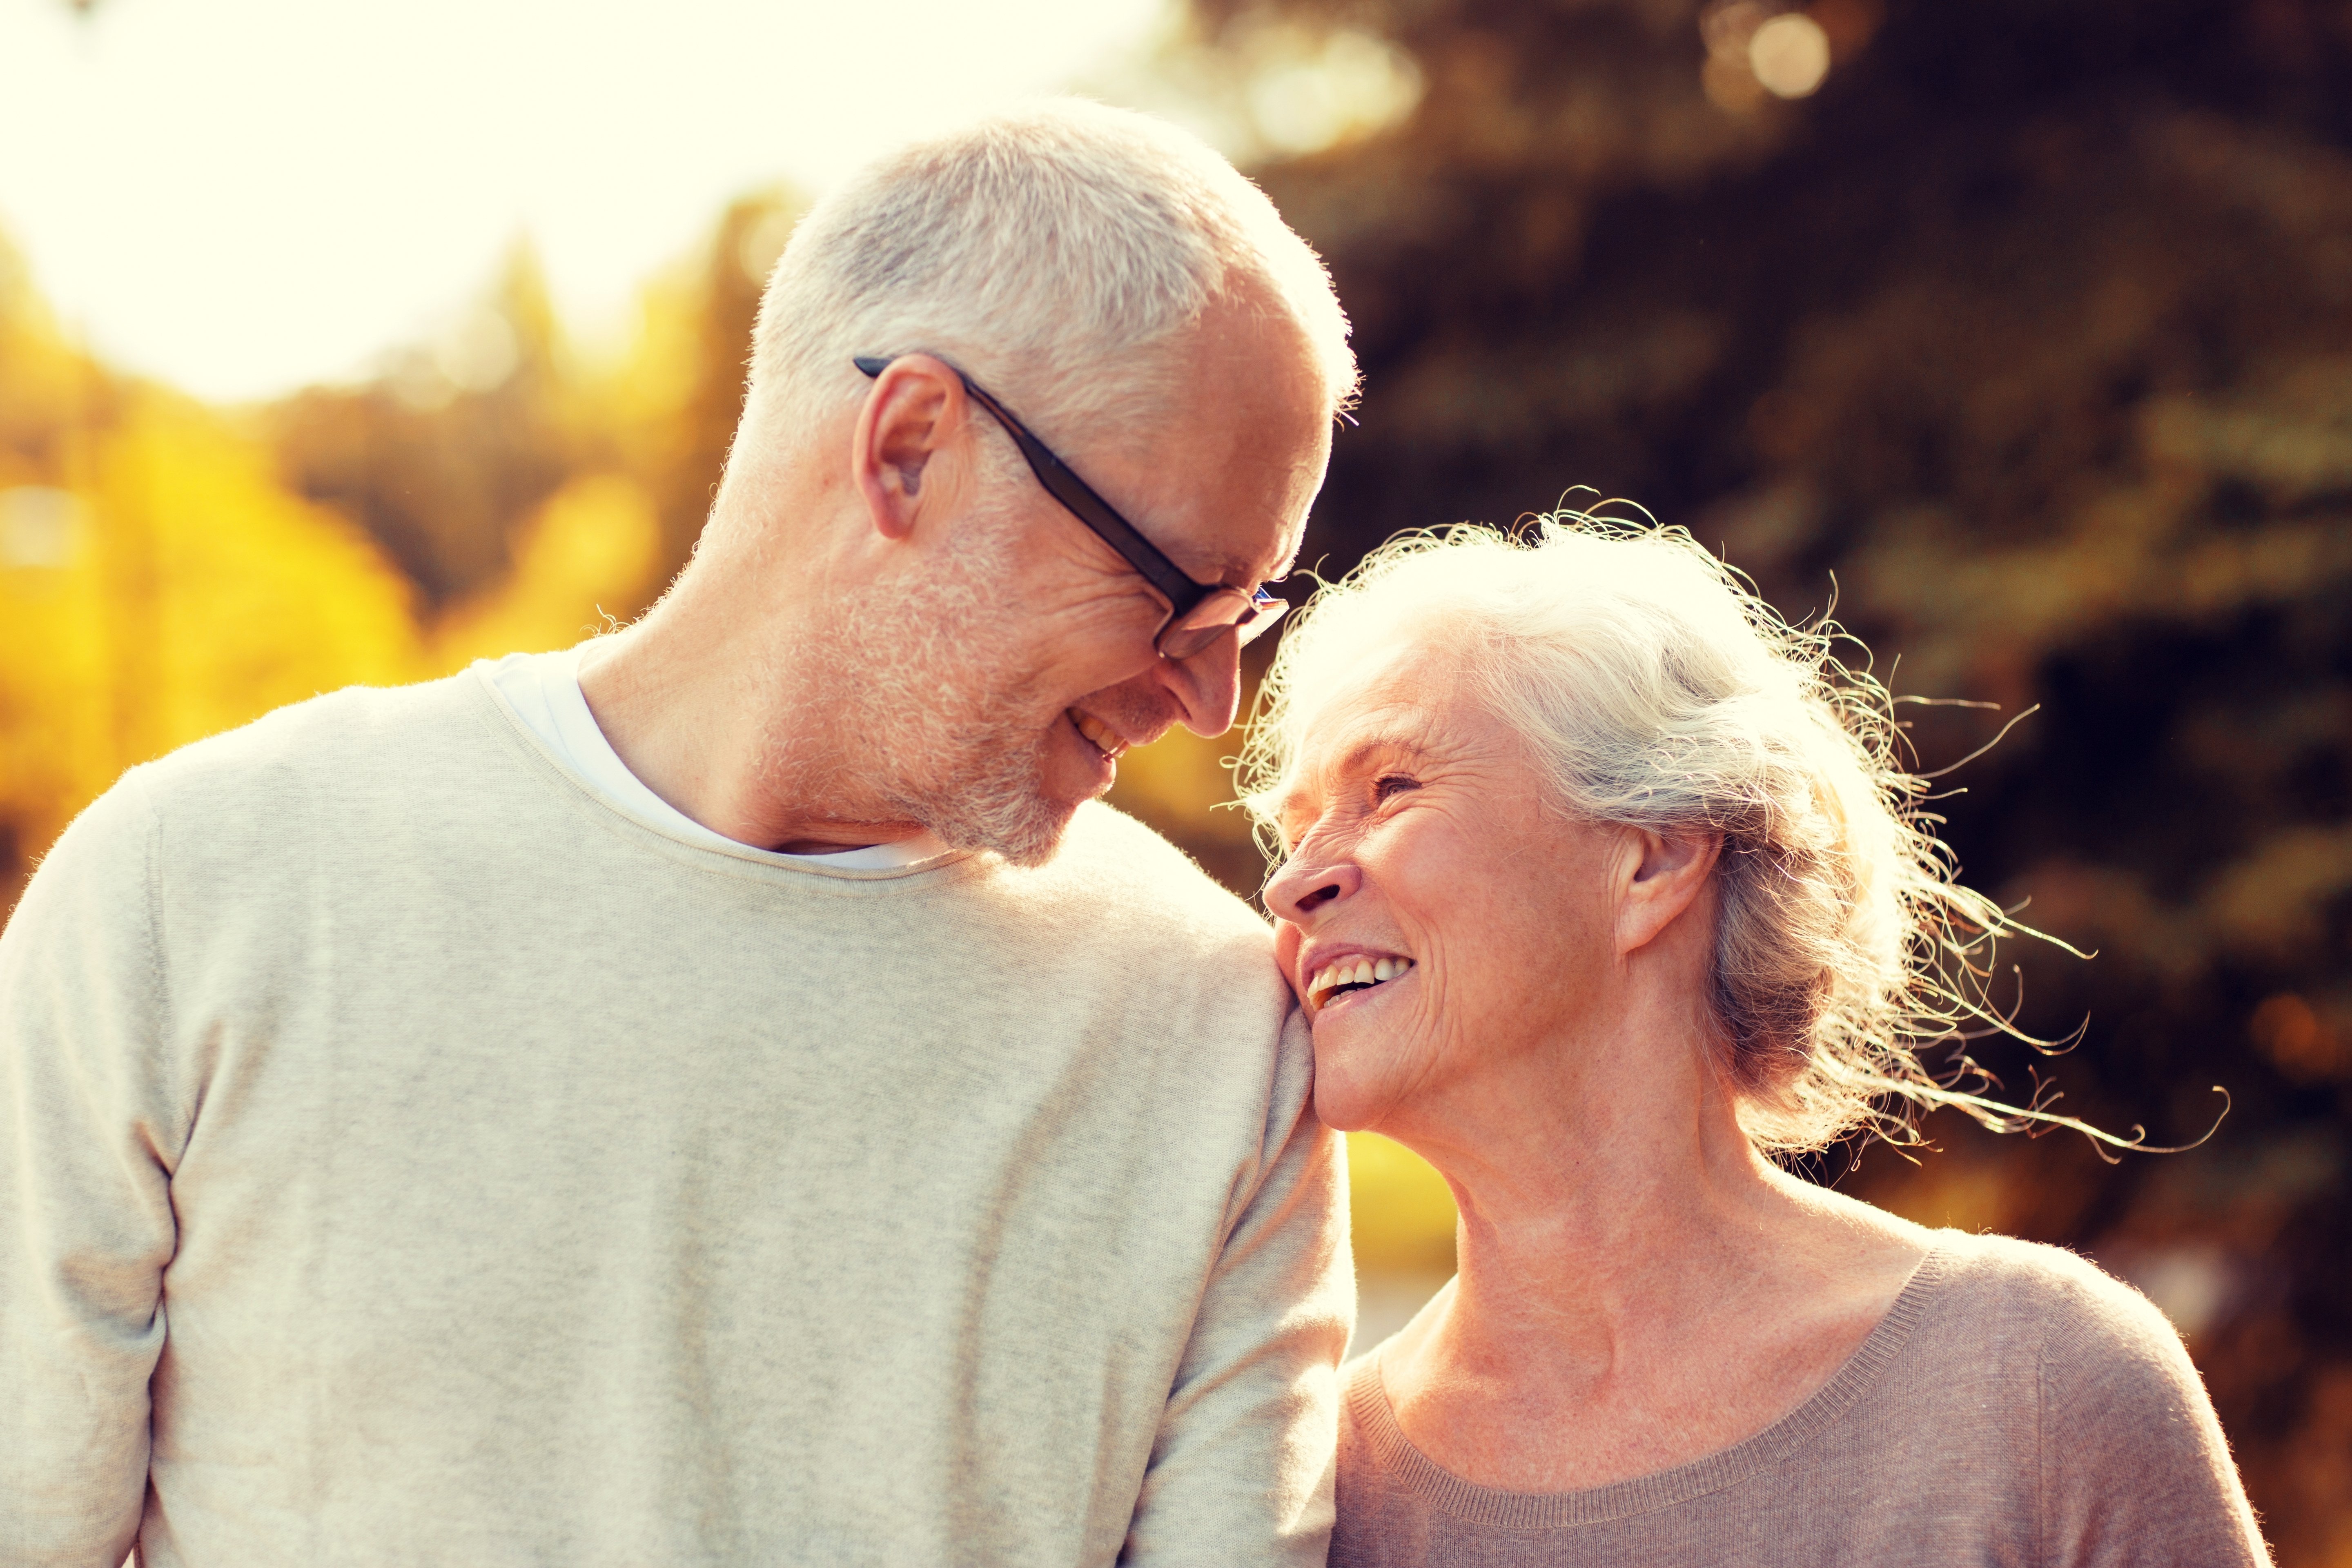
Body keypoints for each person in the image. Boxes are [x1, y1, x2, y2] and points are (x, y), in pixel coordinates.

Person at [1, 101, 1359, 1566]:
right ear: (908, 450)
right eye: (1184, 588)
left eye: (1252, 612)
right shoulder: (190, 894)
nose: (1217, 696)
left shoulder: (1221, 1043)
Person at [1246, 517, 2272, 1566]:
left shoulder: (2039, 1383)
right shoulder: (1306, 1493)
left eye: (1390, 790)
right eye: (1295, 829)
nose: (1294, 884)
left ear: (1653, 860)